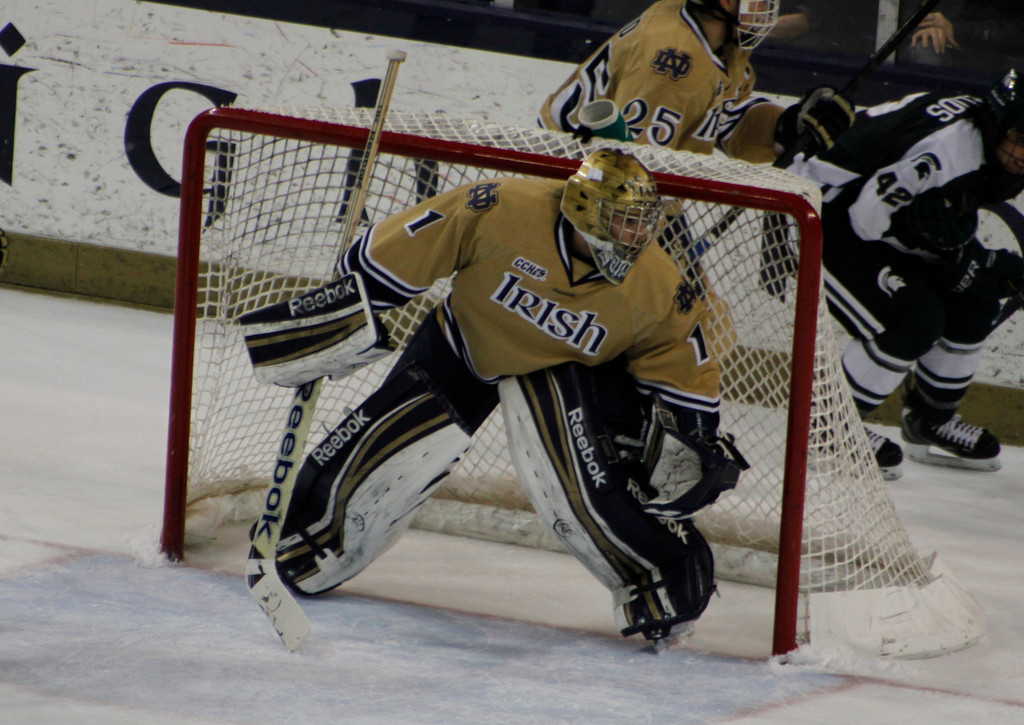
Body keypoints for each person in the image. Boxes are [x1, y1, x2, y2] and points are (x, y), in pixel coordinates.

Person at [246, 149, 749, 648]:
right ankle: (302, 544)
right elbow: (389, 256)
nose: (637, 237)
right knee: (384, 465)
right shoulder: (501, 208)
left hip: (561, 374)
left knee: (582, 492)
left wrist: (691, 435)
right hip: (465, 341)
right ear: (583, 212)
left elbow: (684, 369)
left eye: (643, 224)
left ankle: (662, 577)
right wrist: (341, 312)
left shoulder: (659, 285)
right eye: (623, 222)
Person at [783, 71, 1024, 479]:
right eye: (1020, 137)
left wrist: (955, 256)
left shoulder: (982, 133)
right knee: (914, 319)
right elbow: (866, 220)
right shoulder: (949, 151)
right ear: (999, 123)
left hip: (864, 214)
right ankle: (826, 428)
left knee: (973, 297)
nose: (1023, 154)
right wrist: (942, 250)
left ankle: (931, 419)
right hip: (812, 213)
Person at [538, 0, 854, 164]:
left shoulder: (712, 36)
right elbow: (628, 173)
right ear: (727, 2)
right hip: (574, 198)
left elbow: (721, 119)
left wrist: (786, 127)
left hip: (617, 192)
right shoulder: (673, 66)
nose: (768, 7)